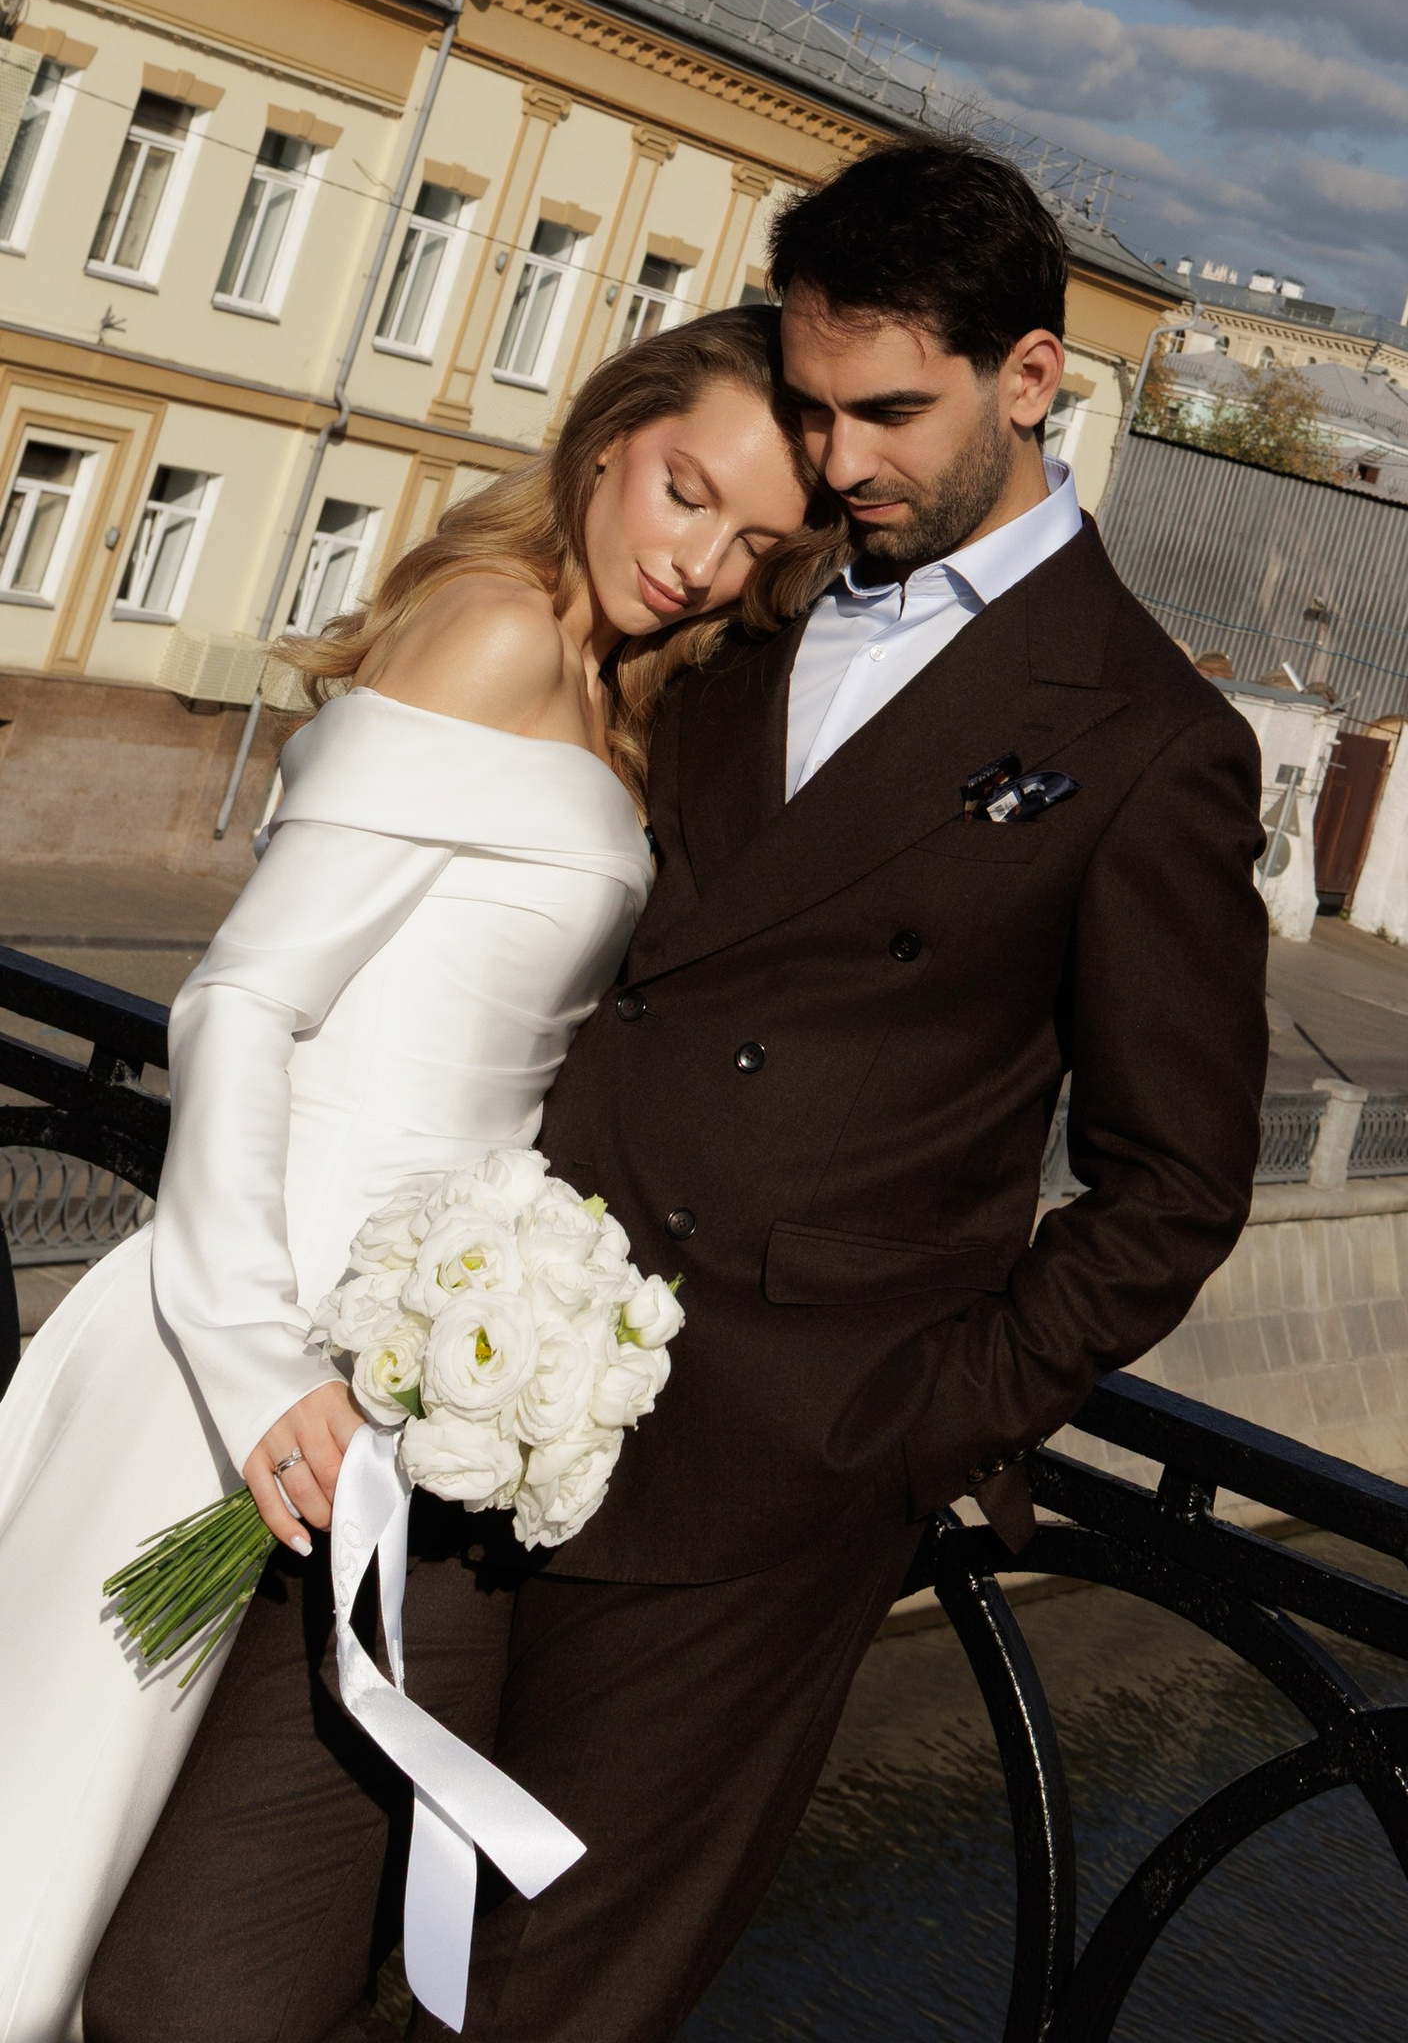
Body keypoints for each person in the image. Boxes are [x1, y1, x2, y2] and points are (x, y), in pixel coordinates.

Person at [92, 137, 1273, 2043]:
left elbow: (1175, 1183)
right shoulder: (759, 594)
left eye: (889, 412)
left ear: (1032, 379)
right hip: (461, 1396)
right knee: (210, 1966)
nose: (840, 461)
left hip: (759, 1483)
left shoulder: (1148, 742)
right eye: (812, 411)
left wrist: (901, 1431)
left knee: (523, 2012)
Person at [0, 308, 813, 2043]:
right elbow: (242, 999)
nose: (701, 561)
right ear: (609, 437)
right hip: (254, 1333)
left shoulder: (610, 684)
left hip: (381, 1350)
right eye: (686, 493)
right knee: (48, 1840)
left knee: (145, 1872)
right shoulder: (499, 632)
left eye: (752, 543)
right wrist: (248, 1355)